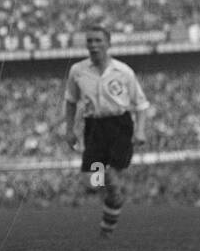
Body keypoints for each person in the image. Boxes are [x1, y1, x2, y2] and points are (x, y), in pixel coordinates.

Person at [63, 25, 150, 236]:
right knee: (94, 180)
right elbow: (71, 101)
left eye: (98, 41)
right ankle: (113, 206)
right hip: (93, 127)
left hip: (119, 125)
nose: (93, 45)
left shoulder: (123, 71)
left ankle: (110, 215)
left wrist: (140, 131)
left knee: (110, 174)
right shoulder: (78, 71)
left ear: (108, 44)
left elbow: (141, 105)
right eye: (90, 41)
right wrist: (69, 129)